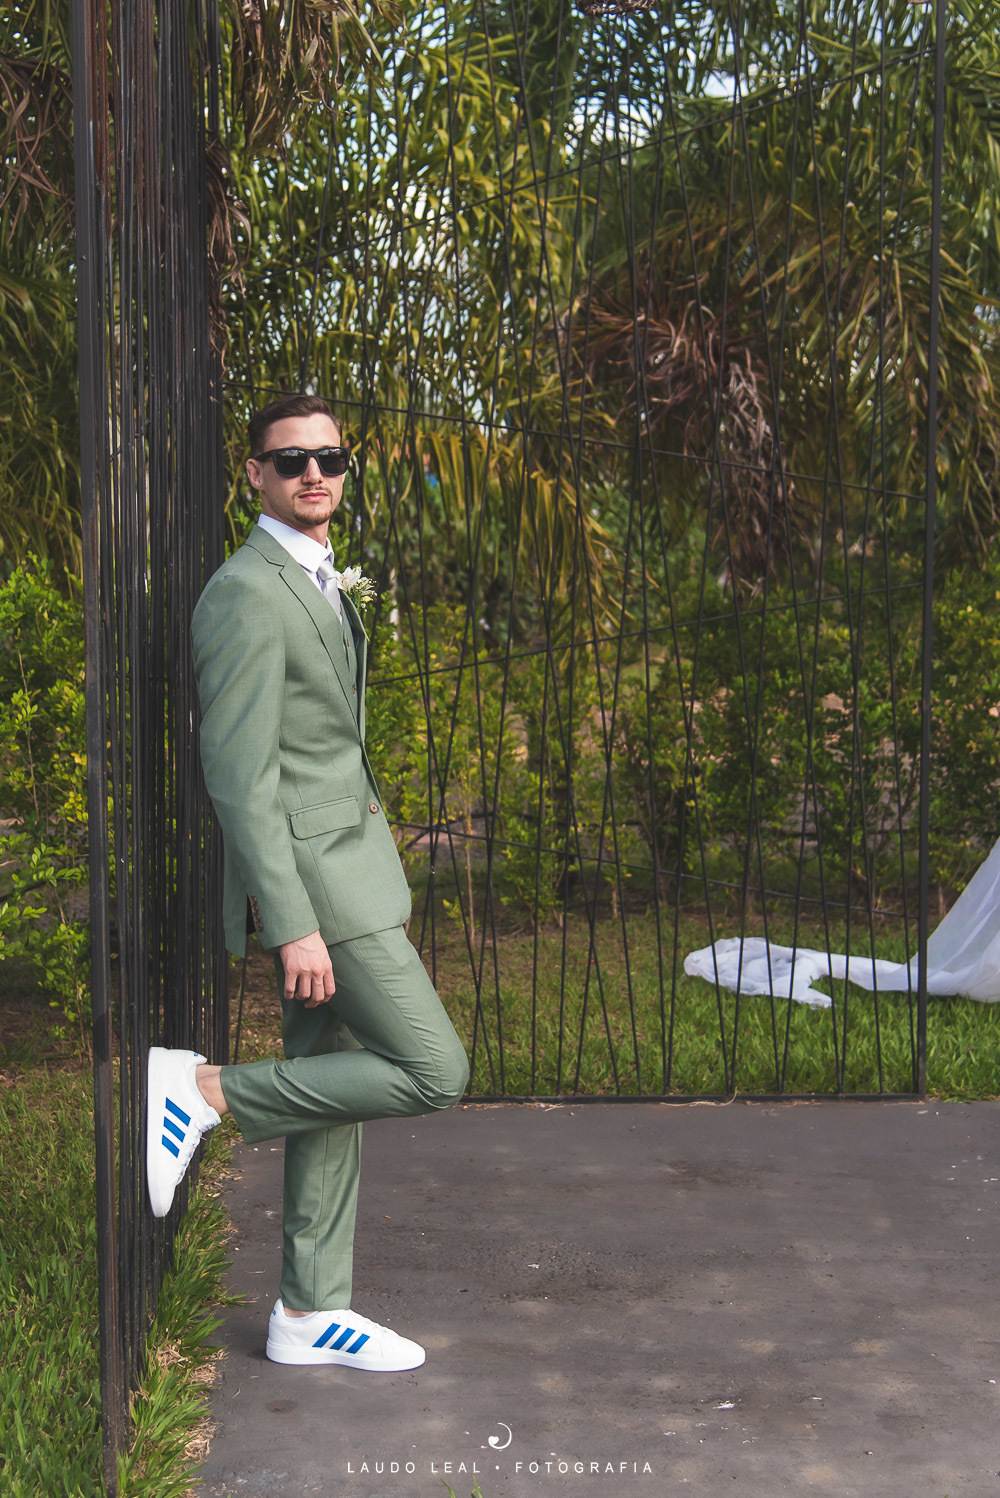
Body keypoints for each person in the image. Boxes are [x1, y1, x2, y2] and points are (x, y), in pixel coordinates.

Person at [146, 393, 469, 1372]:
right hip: (320, 889)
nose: (313, 473)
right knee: (434, 1070)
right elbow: (239, 776)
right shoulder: (245, 592)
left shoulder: (315, 575)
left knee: (328, 1087)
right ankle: (201, 1090)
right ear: (256, 474)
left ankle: (307, 1311)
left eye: (329, 457)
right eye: (290, 460)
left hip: (347, 867)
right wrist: (291, 923)